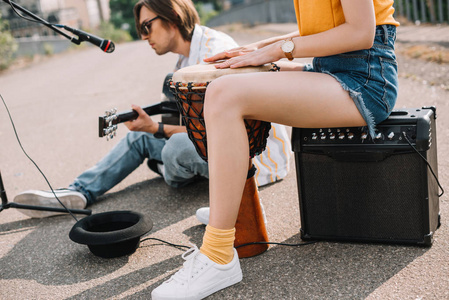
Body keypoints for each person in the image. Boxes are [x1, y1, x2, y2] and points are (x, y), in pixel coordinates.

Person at [150, 0, 399, 299]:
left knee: (224, 94)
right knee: (231, 81)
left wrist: (277, 50)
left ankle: (218, 255)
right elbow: (322, 29)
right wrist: (255, 47)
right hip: (328, 66)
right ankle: (236, 216)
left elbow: (360, 33)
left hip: (365, 80)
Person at [13, 0, 291, 222]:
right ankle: (78, 192)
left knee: (176, 149)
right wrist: (153, 128)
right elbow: (187, 122)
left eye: (147, 26)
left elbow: (225, 130)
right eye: (140, 30)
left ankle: (173, 173)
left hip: (258, 159)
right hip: (220, 145)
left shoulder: (214, 53)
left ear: (171, 17)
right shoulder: (183, 62)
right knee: (141, 139)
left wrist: (158, 129)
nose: (144, 36)